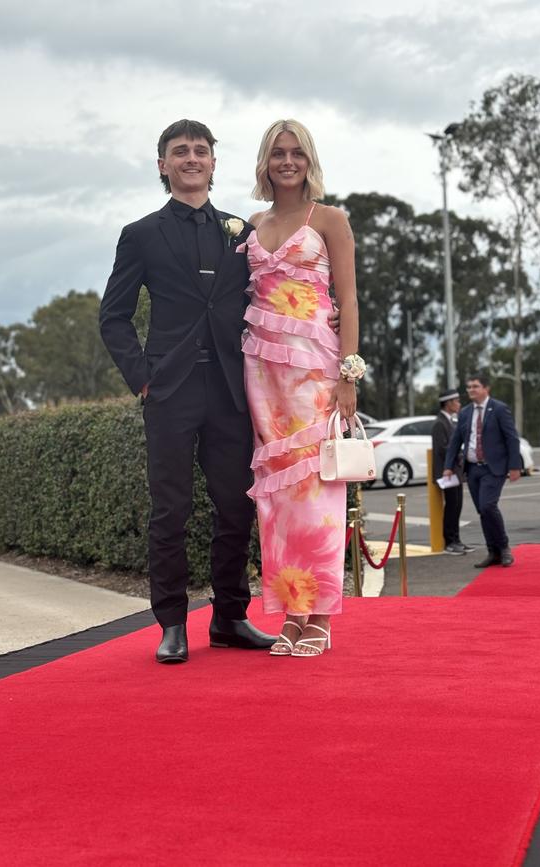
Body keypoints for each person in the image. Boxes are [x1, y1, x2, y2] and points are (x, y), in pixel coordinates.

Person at [99, 119, 276, 663]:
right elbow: (114, 317)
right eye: (181, 151)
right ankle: (171, 623)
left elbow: (264, 300)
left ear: (214, 163)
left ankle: (229, 618)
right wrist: (143, 379)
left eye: (201, 150)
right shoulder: (141, 234)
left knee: (235, 508)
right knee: (170, 511)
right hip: (171, 391)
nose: (192, 158)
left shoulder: (240, 230)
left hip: (230, 388)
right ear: (163, 165)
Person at [241, 119, 363, 658]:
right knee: (278, 496)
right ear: (265, 162)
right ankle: (291, 613)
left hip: (316, 372)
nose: (287, 161)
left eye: (295, 153)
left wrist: (348, 375)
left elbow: (350, 299)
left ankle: (320, 617)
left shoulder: (330, 219)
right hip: (261, 373)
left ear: (309, 160)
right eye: (277, 153)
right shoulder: (253, 222)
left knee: (316, 491)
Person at [443, 373, 521, 568]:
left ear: (486, 389)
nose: (471, 390)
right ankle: (492, 552)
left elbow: (512, 439)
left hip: (493, 468)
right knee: (483, 511)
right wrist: (448, 467)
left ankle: (503, 548)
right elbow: (456, 441)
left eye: (475, 386)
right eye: (469, 387)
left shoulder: (500, 409)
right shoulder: (466, 412)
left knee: (488, 506)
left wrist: (514, 467)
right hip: (473, 469)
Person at [431, 389, 474, 555]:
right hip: (446, 473)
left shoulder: (452, 421)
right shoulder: (439, 423)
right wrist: (461, 452)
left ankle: (457, 540)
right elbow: (442, 449)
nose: (459, 404)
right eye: (456, 401)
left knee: (457, 506)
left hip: (456, 472)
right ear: (448, 403)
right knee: (451, 507)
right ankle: (449, 542)